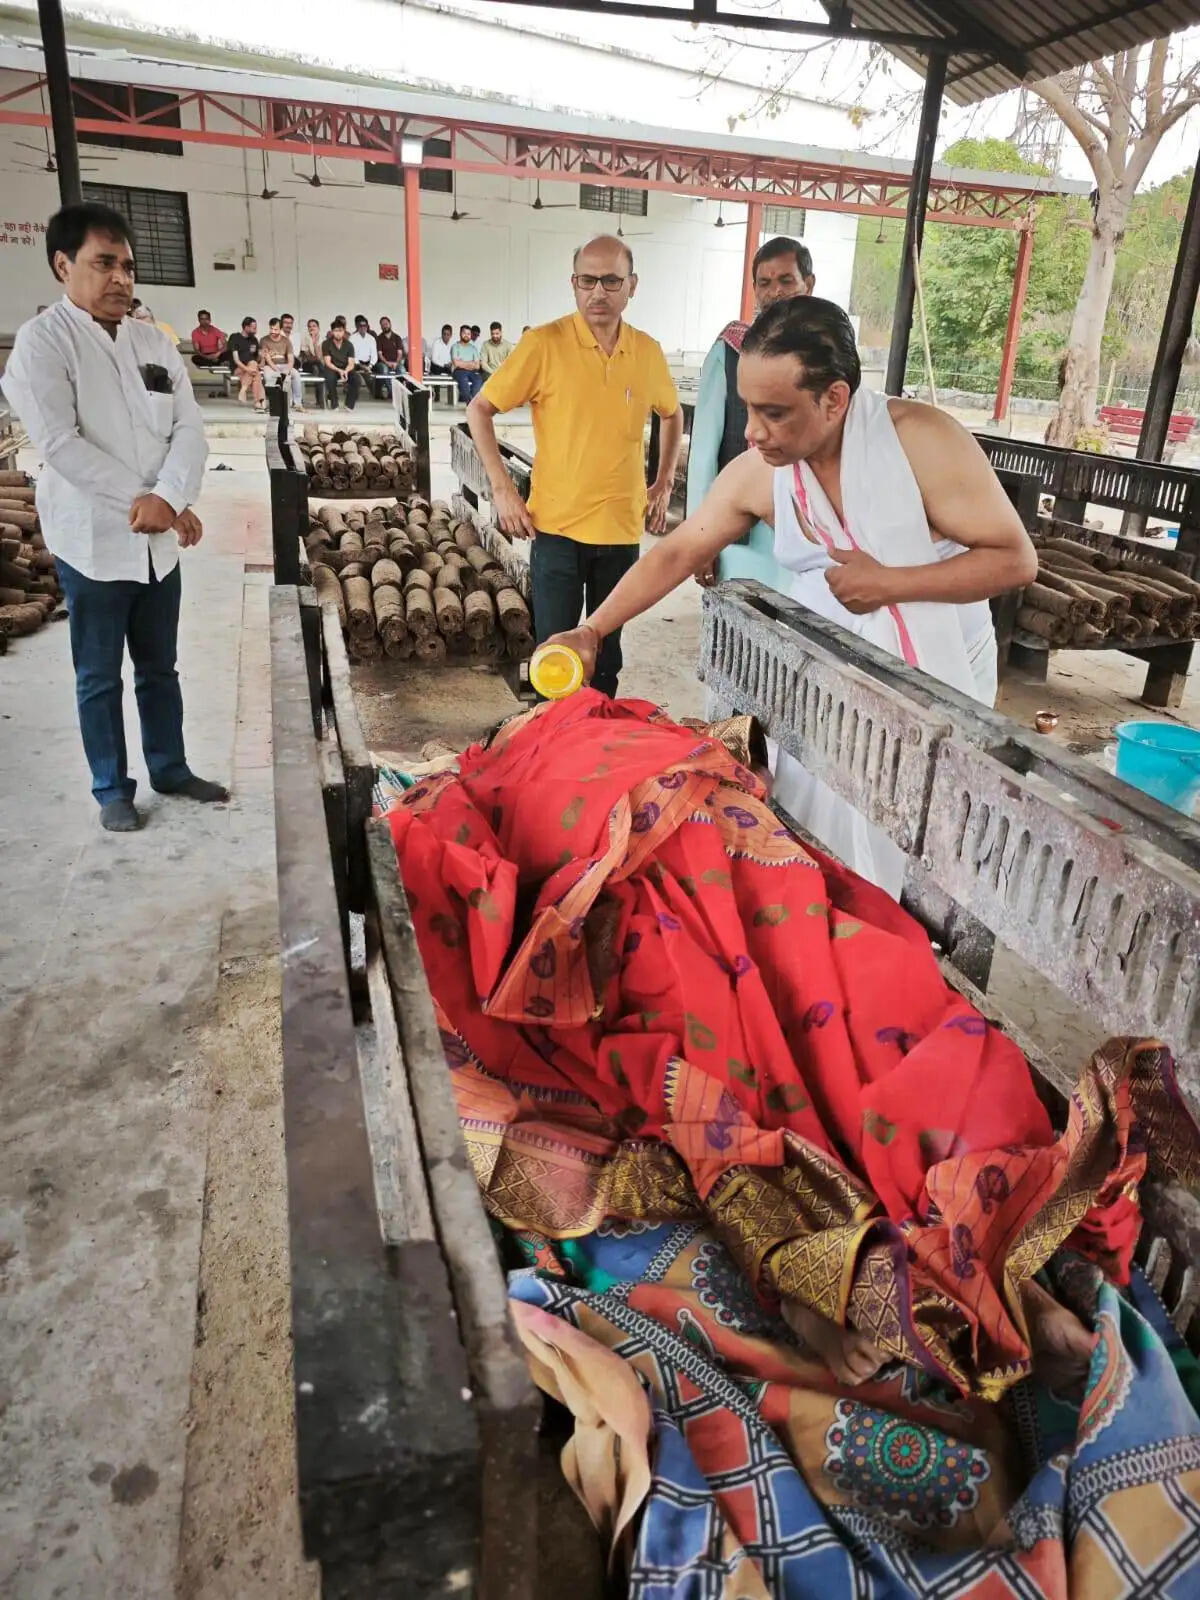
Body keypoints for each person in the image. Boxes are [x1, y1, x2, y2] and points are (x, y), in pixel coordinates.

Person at [545, 296, 1037, 890]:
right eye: (749, 408)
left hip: (936, 676)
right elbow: (680, 550)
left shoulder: (923, 444)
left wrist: (892, 583)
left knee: (916, 846)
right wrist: (592, 628)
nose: (753, 432)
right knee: (817, 822)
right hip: (831, 674)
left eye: (774, 412)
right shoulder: (765, 468)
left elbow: (1015, 560)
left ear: (834, 399)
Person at [2, 202, 228, 831]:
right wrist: (148, 501)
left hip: (159, 548)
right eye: (104, 264)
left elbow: (190, 429)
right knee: (99, 674)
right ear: (62, 264)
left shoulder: (153, 341)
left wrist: (174, 497)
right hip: (95, 544)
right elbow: (60, 443)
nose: (120, 279)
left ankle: (171, 768)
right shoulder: (41, 345)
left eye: (127, 266)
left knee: (160, 666)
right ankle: (111, 788)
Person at [467, 234, 683, 698]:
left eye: (611, 280)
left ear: (632, 286)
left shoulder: (646, 352)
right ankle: (551, 750)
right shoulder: (544, 344)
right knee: (553, 659)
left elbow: (672, 412)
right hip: (557, 529)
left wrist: (663, 482)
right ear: (573, 283)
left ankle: (593, 752)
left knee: (606, 659)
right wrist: (503, 489)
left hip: (622, 531)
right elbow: (479, 409)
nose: (598, 292)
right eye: (588, 280)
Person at [688, 235, 815, 581]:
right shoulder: (730, 350)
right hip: (742, 534)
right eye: (765, 283)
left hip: (813, 529)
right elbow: (702, 453)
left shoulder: (828, 353)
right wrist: (701, 540)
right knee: (737, 629)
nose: (775, 291)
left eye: (786, 280)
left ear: (808, 284)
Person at [260, 315, 302, 409]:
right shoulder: (264, 340)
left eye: (276, 329)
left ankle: (297, 403)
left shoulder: (286, 341)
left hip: (285, 365)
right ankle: (273, 403)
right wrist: (278, 372)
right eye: (271, 329)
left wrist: (286, 370)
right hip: (270, 366)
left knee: (296, 374)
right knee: (268, 376)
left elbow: (291, 360)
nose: (273, 332)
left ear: (280, 329)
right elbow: (268, 359)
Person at [227, 315, 264, 410]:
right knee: (254, 369)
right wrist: (248, 369)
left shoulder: (254, 340)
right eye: (253, 328)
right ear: (246, 327)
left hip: (250, 369)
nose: (255, 330)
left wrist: (261, 355)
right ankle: (258, 401)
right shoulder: (235, 337)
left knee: (255, 369)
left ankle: (243, 390)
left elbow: (257, 360)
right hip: (238, 368)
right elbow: (236, 360)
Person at [321, 320, 359, 410]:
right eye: (336, 331)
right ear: (332, 332)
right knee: (330, 378)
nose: (338, 333)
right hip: (332, 368)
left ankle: (349, 404)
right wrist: (339, 370)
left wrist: (345, 371)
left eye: (340, 331)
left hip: (346, 368)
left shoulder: (349, 345)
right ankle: (334, 403)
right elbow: (327, 362)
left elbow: (351, 363)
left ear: (344, 331)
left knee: (356, 379)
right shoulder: (326, 343)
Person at [451, 324, 483, 403]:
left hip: (472, 371)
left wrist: (463, 362)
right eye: (464, 333)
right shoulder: (455, 347)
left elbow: (477, 365)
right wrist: (471, 363)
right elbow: (456, 363)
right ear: (460, 334)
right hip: (459, 371)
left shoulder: (473, 348)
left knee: (479, 380)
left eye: (468, 334)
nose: (466, 335)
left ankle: (471, 402)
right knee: (463, 381)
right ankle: (470, 403)